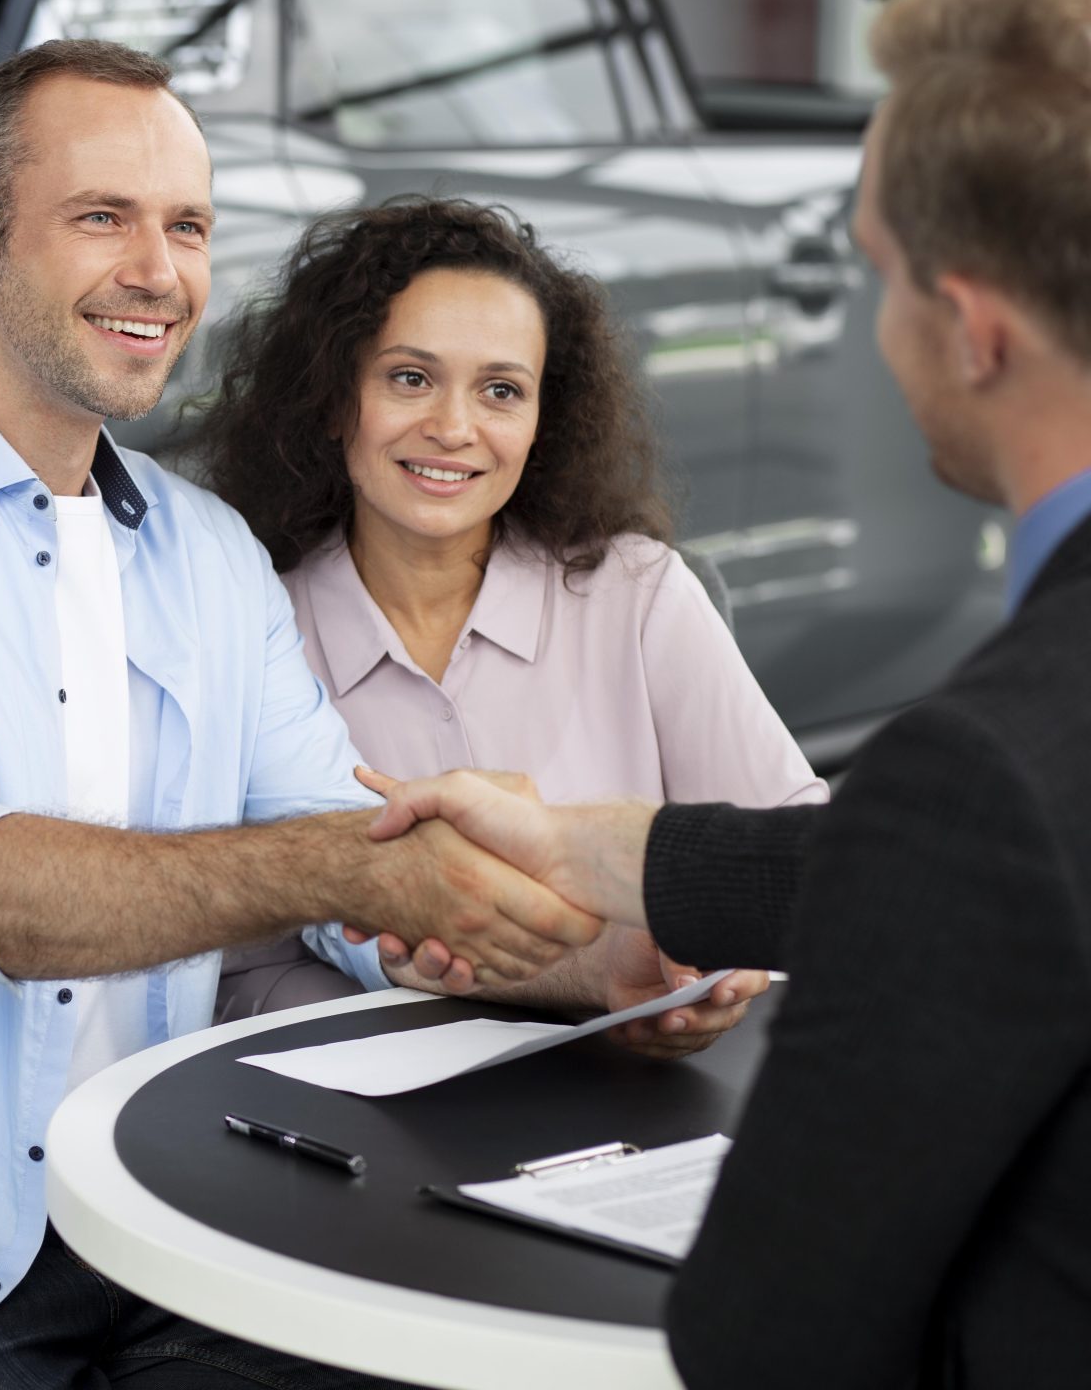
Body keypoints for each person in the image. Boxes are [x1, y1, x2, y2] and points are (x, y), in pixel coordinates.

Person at [0, 39, 661, 1390]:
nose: (158, 271)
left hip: (163, 1229)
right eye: (102, 217)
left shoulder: (205, 551)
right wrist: (349, 864)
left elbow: (358, 875)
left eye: (187, 227)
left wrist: (618, 976)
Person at [361, 0, 1091, 1385]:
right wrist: (591, 849)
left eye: (878, 278)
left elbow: (764, 1328)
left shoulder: (987, 774)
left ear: (976, 325)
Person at [201, 197, 822, 1029]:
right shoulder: (249, 630)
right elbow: (233, 973)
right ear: (333, 398)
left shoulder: (639, 595)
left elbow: (796, 850)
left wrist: (706, 970)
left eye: (501, 390)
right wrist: (439, 997)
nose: (454, 428)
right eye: (410, 378)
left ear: (542, 422)